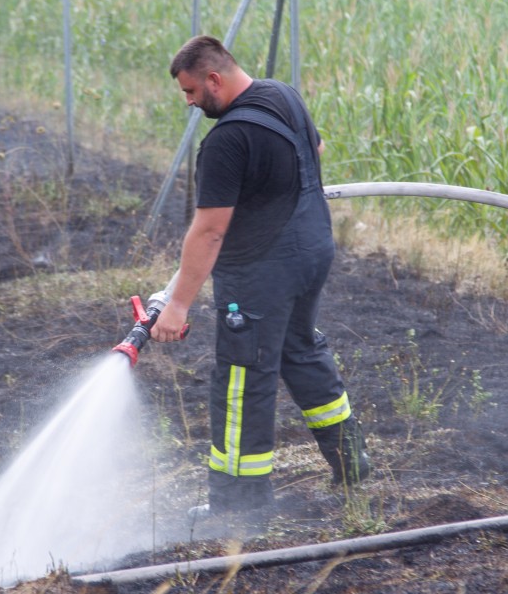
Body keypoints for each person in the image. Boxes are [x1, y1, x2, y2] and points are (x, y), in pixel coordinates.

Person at [150, 35, 370, 519]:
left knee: (242, 381)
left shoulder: (226, 141)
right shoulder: (282, 94)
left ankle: (236, 507)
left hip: (259, 275)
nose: (188, 103)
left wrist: (178, 305)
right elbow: (315, 146)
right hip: (312, 252)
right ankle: (351, 459)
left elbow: (209, 231)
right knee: (300, 350)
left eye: (190, 92)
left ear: (214, 78)